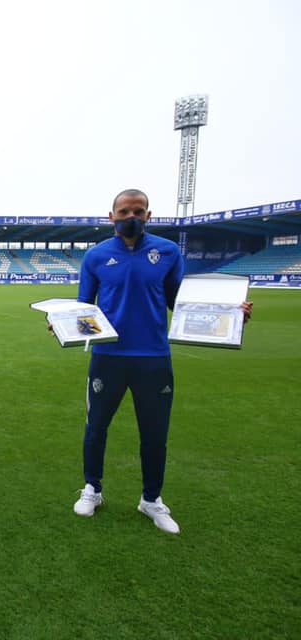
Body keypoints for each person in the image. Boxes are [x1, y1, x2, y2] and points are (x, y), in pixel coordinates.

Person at [71, 188, 252, 534]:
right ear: (111, 217)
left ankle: (151, 500)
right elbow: (84, 308)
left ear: (149, 215)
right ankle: (92, 489)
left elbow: (181, 305)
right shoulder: (95, 256)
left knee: (155, 434)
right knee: (96, 428)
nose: (131, 217)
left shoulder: (167, 252)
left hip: (154, 358)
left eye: (138, 211)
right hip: (107, 357)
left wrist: (230, 313)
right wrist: (65, 324)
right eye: (124, 211)